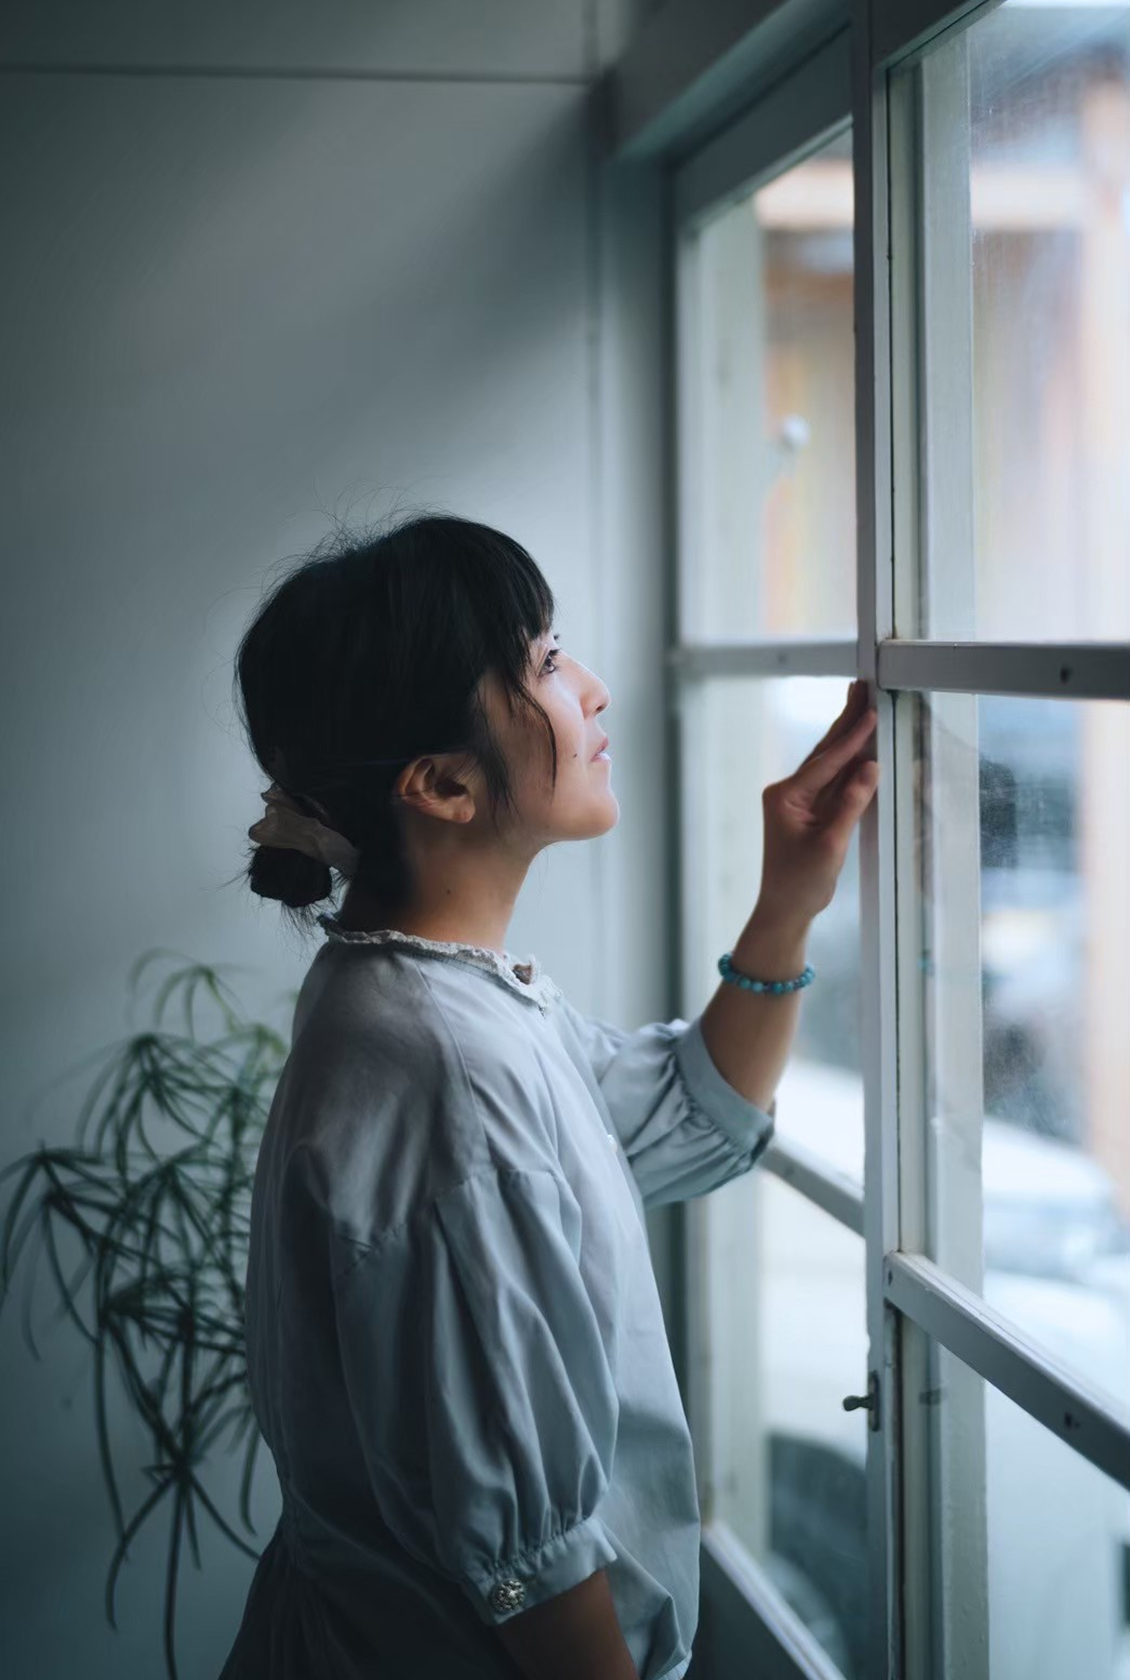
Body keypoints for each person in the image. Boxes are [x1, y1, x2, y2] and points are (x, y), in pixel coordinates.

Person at [220, 511, 878, 1680]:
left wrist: (789, 898)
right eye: (541, 664)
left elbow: (675, 1121)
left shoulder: (411, 992)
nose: (593, 688)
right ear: (444, 785)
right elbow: (533, 1567)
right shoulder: (444, 1072)